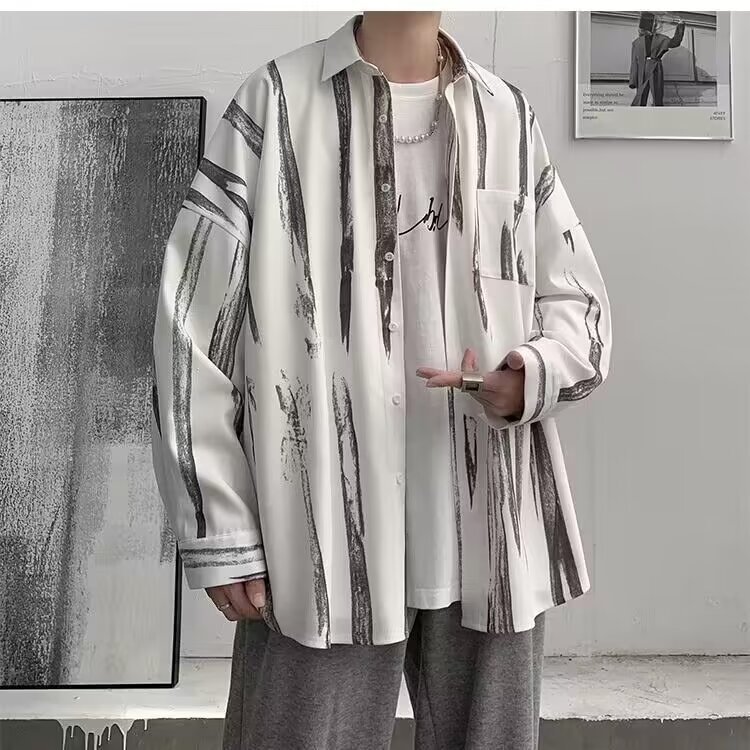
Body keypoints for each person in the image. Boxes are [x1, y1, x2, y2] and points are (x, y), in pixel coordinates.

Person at [150, 11, 611, 749]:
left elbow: (579, 305)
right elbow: (191, 326)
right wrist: (222, 527)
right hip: (316, 533)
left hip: (488, 528)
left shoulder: (507, 116)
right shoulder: (276, 103)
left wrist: (528, 375)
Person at [629, 12, 686, 106]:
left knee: (655, 96)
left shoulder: (656, 39)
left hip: (651, 68)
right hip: (649, 68)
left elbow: (634, 63)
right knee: (649, 96)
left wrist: (680, 25)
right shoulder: (638, 42)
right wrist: (680, 25)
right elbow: (634, 62)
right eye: (655, 23)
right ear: (653, 25)